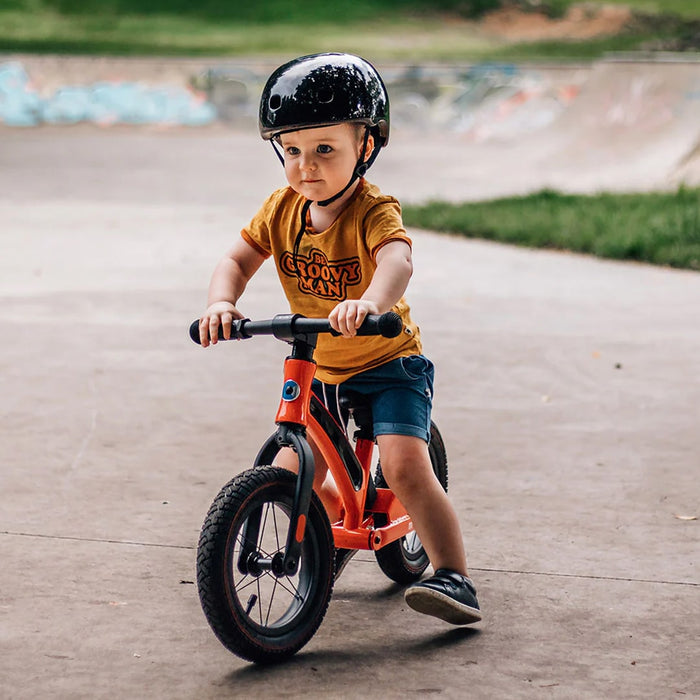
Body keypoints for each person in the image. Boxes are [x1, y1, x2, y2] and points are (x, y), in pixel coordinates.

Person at [198, 52, 481, 626]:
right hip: (322, 364)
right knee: (293, 466)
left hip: (388, 361)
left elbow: (397, 260)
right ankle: (319, 544)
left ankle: (454, 574)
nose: (306, 166)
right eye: (292, 150)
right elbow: (236, 258)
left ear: (366, 147)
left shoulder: (373, 208)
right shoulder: (281, 210)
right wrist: (222, 303)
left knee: (403, 467)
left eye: (326, 149)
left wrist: (371, 302)